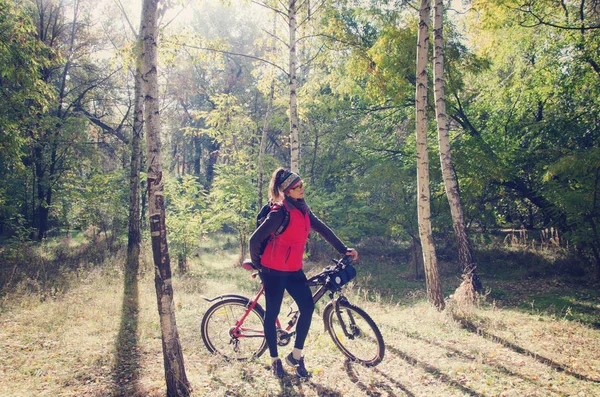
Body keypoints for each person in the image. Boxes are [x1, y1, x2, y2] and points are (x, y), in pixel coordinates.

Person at [249, 168, 359, 379]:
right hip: (272, 271)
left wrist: (343, 249)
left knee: (307, 308)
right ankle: (274, 360)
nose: (302, 188)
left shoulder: (304, 209)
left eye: (302, 184)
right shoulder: (279, 212)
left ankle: (296, 355)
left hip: (293, 270)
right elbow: (254, 240)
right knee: (272, 314)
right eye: (297, 187)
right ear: (287, 191)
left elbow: (323, 229)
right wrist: (259, 266)